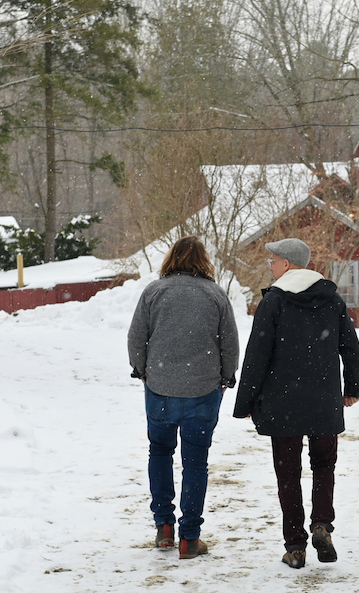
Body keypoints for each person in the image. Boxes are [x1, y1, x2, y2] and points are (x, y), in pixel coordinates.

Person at [233, 237, 359, 569]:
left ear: (287, 264)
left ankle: (295, 546)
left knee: (288, 474)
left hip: (282, 403)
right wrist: (352, 386)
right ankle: (322, 524)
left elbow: (256, 356)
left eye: (273, 261)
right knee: (324, 466)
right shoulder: (331, 300)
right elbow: (351, 347)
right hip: (323, 402)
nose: (270, 266)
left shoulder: (274, 303)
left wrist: (245, 400)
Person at [128, 236, 240, 560]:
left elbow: (136, 338)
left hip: (160, 389)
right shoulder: (216, 295)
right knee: (196, 462)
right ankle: (189, 537)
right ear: (204, 261)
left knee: (160, 452)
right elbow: (230, 345)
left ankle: (163, 525)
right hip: (203, 392)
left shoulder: (154, 292)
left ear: (171, 259)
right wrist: (225, 378)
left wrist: (144, 372)